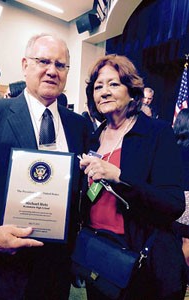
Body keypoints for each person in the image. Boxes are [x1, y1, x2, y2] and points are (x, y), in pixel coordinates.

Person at [0, 33, 90, 300]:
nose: (51, 71)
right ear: (25, 65)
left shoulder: (79, 126)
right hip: (3, 267)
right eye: (43, 61)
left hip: (57, 267)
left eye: (60, 65)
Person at [79, 54, 187, 300]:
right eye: (98, 87)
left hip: (142, 259)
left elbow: (173, 203)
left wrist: (120, 177)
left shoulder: (156, 133)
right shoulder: (92, 138)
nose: (104, 92)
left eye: (113, 84)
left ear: (132, 91)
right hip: (98, 252)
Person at [173, 108, 189, 279]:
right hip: (188, 199)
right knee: (187, 242)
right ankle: (182, 276)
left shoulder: (171, 146)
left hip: (174, 197)